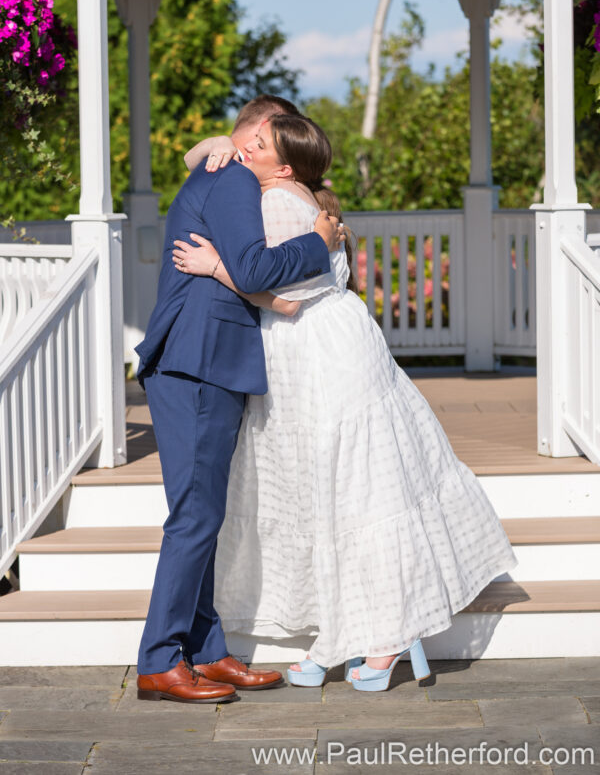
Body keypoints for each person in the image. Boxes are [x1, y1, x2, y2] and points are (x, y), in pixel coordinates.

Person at [172, 113, 518, 693]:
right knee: (344, 496)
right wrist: (220, 143)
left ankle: (383, 639)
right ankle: (362, 632)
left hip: (319, 354)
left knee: (348, 498)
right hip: (332, 343)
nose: (245, 148)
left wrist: (216, 268)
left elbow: (282, 298)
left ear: (284, 167)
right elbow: (201, 162)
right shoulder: (310, 199)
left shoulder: (277, 202)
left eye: (257, 144)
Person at [134, 96, 344, 704]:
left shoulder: (224, 168)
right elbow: (251, 270)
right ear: (256, 131)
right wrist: (318, 242)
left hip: (208, 361)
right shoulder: (232, 179)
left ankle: (206, 650)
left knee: (203, 515)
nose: (258, 149)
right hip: (199, 362)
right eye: (265, 137)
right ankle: (159, 660)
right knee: (195, 518)